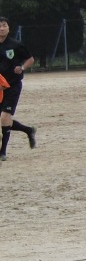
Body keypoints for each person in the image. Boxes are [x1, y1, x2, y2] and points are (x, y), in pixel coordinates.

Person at [0, 16, 36, 161]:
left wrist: (22, 67)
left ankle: (3, 152)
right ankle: (28, 130)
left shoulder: (16, 45)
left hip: (13, 86)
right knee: (5, 120)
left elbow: (30, 59)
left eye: (4, 25)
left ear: (9, 28)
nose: (1, 28)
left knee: (4, 117)